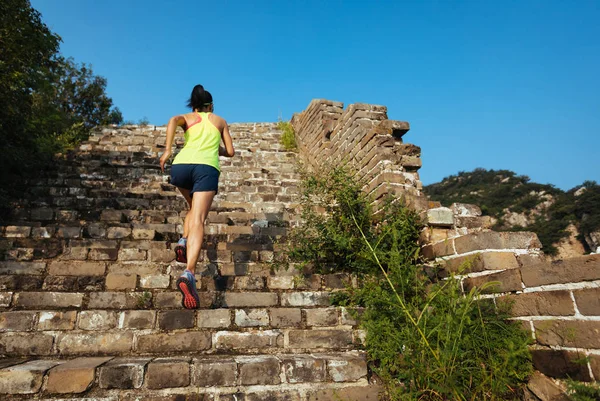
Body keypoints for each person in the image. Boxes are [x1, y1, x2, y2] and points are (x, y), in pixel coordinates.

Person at [160, 84, 235, 309]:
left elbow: (173, 120)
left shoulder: (187, 118)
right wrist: (217, 148)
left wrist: (167, 151)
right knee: (200, 218)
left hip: (181, 166)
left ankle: (183, 240)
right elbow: (230, 152)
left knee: (193, 208)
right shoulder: (219, 121)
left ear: (194, 107)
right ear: (211, 106)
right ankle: (189, 273)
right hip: (205, 168)